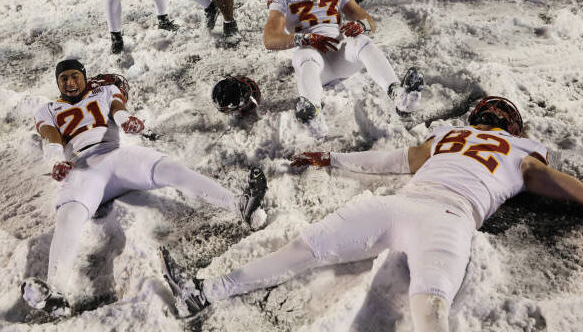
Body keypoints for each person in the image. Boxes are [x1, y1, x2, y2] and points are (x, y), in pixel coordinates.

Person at [159, 96, 583, 331]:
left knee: (305, 248)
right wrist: (331, 158)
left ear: (476, 117)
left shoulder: (449, 136)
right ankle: (205, 291)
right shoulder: (523, 153)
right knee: (431, 308)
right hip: (450, 217)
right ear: (514, 127)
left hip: (400, 204)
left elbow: (392, 159)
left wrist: (332, 158)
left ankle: (205, 291)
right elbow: (567, 188)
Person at [20, 59, 267, 317]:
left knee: (171, 169)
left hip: (116, 154)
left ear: (85, 77)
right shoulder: (48, 109)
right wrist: (57, 161)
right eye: (63, 79)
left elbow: (118, 109)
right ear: (57, 83)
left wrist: (128, 122)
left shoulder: (104, 90)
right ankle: (55, 291)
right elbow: (50, 138)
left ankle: (240, 205)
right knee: (69, 216)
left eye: (74, 76)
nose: (69, 83)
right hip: (82, 167)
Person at [263, 0, 424, 132]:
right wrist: (305, 39)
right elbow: (270, 39)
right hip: (315, 64)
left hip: (341, 54)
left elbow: (367, 20)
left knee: (362, 40)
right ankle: (312, 113)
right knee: (304, 56)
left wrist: (360, 25)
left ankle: (398, 95)